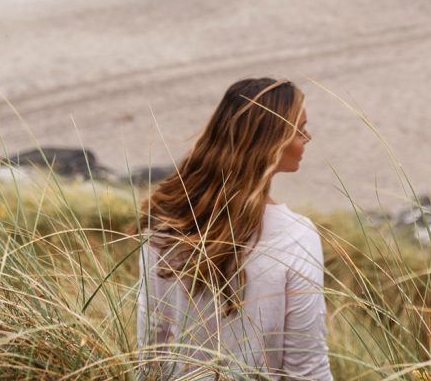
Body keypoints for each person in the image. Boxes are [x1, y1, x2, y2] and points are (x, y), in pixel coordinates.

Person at [136, 77, 333, 380]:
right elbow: (306, 369)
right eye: (298, 129)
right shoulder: (296, 237)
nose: (307, 137)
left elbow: (151, 348)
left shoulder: (167, 220)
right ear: (270, 143)